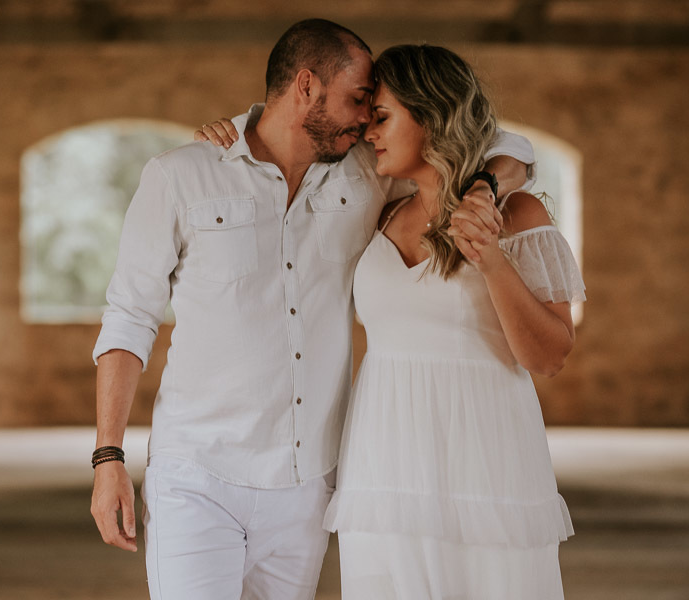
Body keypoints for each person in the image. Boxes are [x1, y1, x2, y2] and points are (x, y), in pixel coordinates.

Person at [90, 20, 534, 600]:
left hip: (307, 485)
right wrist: (108, 457)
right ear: (306, 87)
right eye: (357, 100)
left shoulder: (368, 178)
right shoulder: (181, 175)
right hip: (197, 476)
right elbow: (129, 318)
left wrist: (484, 188)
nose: (365, 120)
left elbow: (509, 147)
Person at [317, 45, 584, 599]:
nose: (369, 133)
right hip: (383, 462)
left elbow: (550, 356)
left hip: (485, 461)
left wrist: (490, 260)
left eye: (383, 118)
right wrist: (233, 130)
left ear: (434, 115)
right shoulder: (383, 207)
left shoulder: (517, 215)